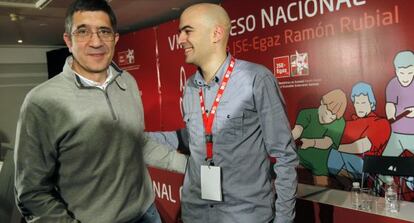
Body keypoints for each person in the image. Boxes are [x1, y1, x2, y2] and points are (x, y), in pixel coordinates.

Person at [14, 0, 187, 222]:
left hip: (146, 212)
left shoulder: (128, 82)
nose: (96, 42)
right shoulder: (42, 101)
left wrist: (190, 167)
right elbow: (32, 193)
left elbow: (137, 143)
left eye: (104, 32)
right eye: (83, 31)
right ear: (68, 40)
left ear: (115, 39)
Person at [177, 3, 298, 223]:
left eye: (187, 31)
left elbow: (285, 156)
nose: (180, 40)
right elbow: (196, 140)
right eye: (180, 32)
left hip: (245, 216)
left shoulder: (256, 79)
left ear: (216, 33)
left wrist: (283, 220)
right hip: (196, 215)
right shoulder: (191, 87)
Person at [327, 82, 391, 179]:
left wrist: (335, 147)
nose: (359, 106)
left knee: (333, 152)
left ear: (371, 103)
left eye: (363, 102)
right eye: (357, 103)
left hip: (365, 166)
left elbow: (363, 146)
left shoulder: (381, 123)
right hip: (343, 165)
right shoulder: (348, 123)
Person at [291, 89, 346, 186]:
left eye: (334, 116)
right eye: (329, 112)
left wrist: (310, 143)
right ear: (322, 103)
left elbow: (327, 142)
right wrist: (284, 139)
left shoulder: (340, 122)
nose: (331, 117)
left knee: (321, 194)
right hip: (299, 159)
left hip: (320, 165)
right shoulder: (306, 113)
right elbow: (297, 131)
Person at [383, 50, 414, 157]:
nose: (405, 77)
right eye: (402, 73)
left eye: (410, 73)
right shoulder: (392, 84)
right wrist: (391, 116)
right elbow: (390, 104)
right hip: (397, 135)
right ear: (396, 71)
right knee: (384, 166)